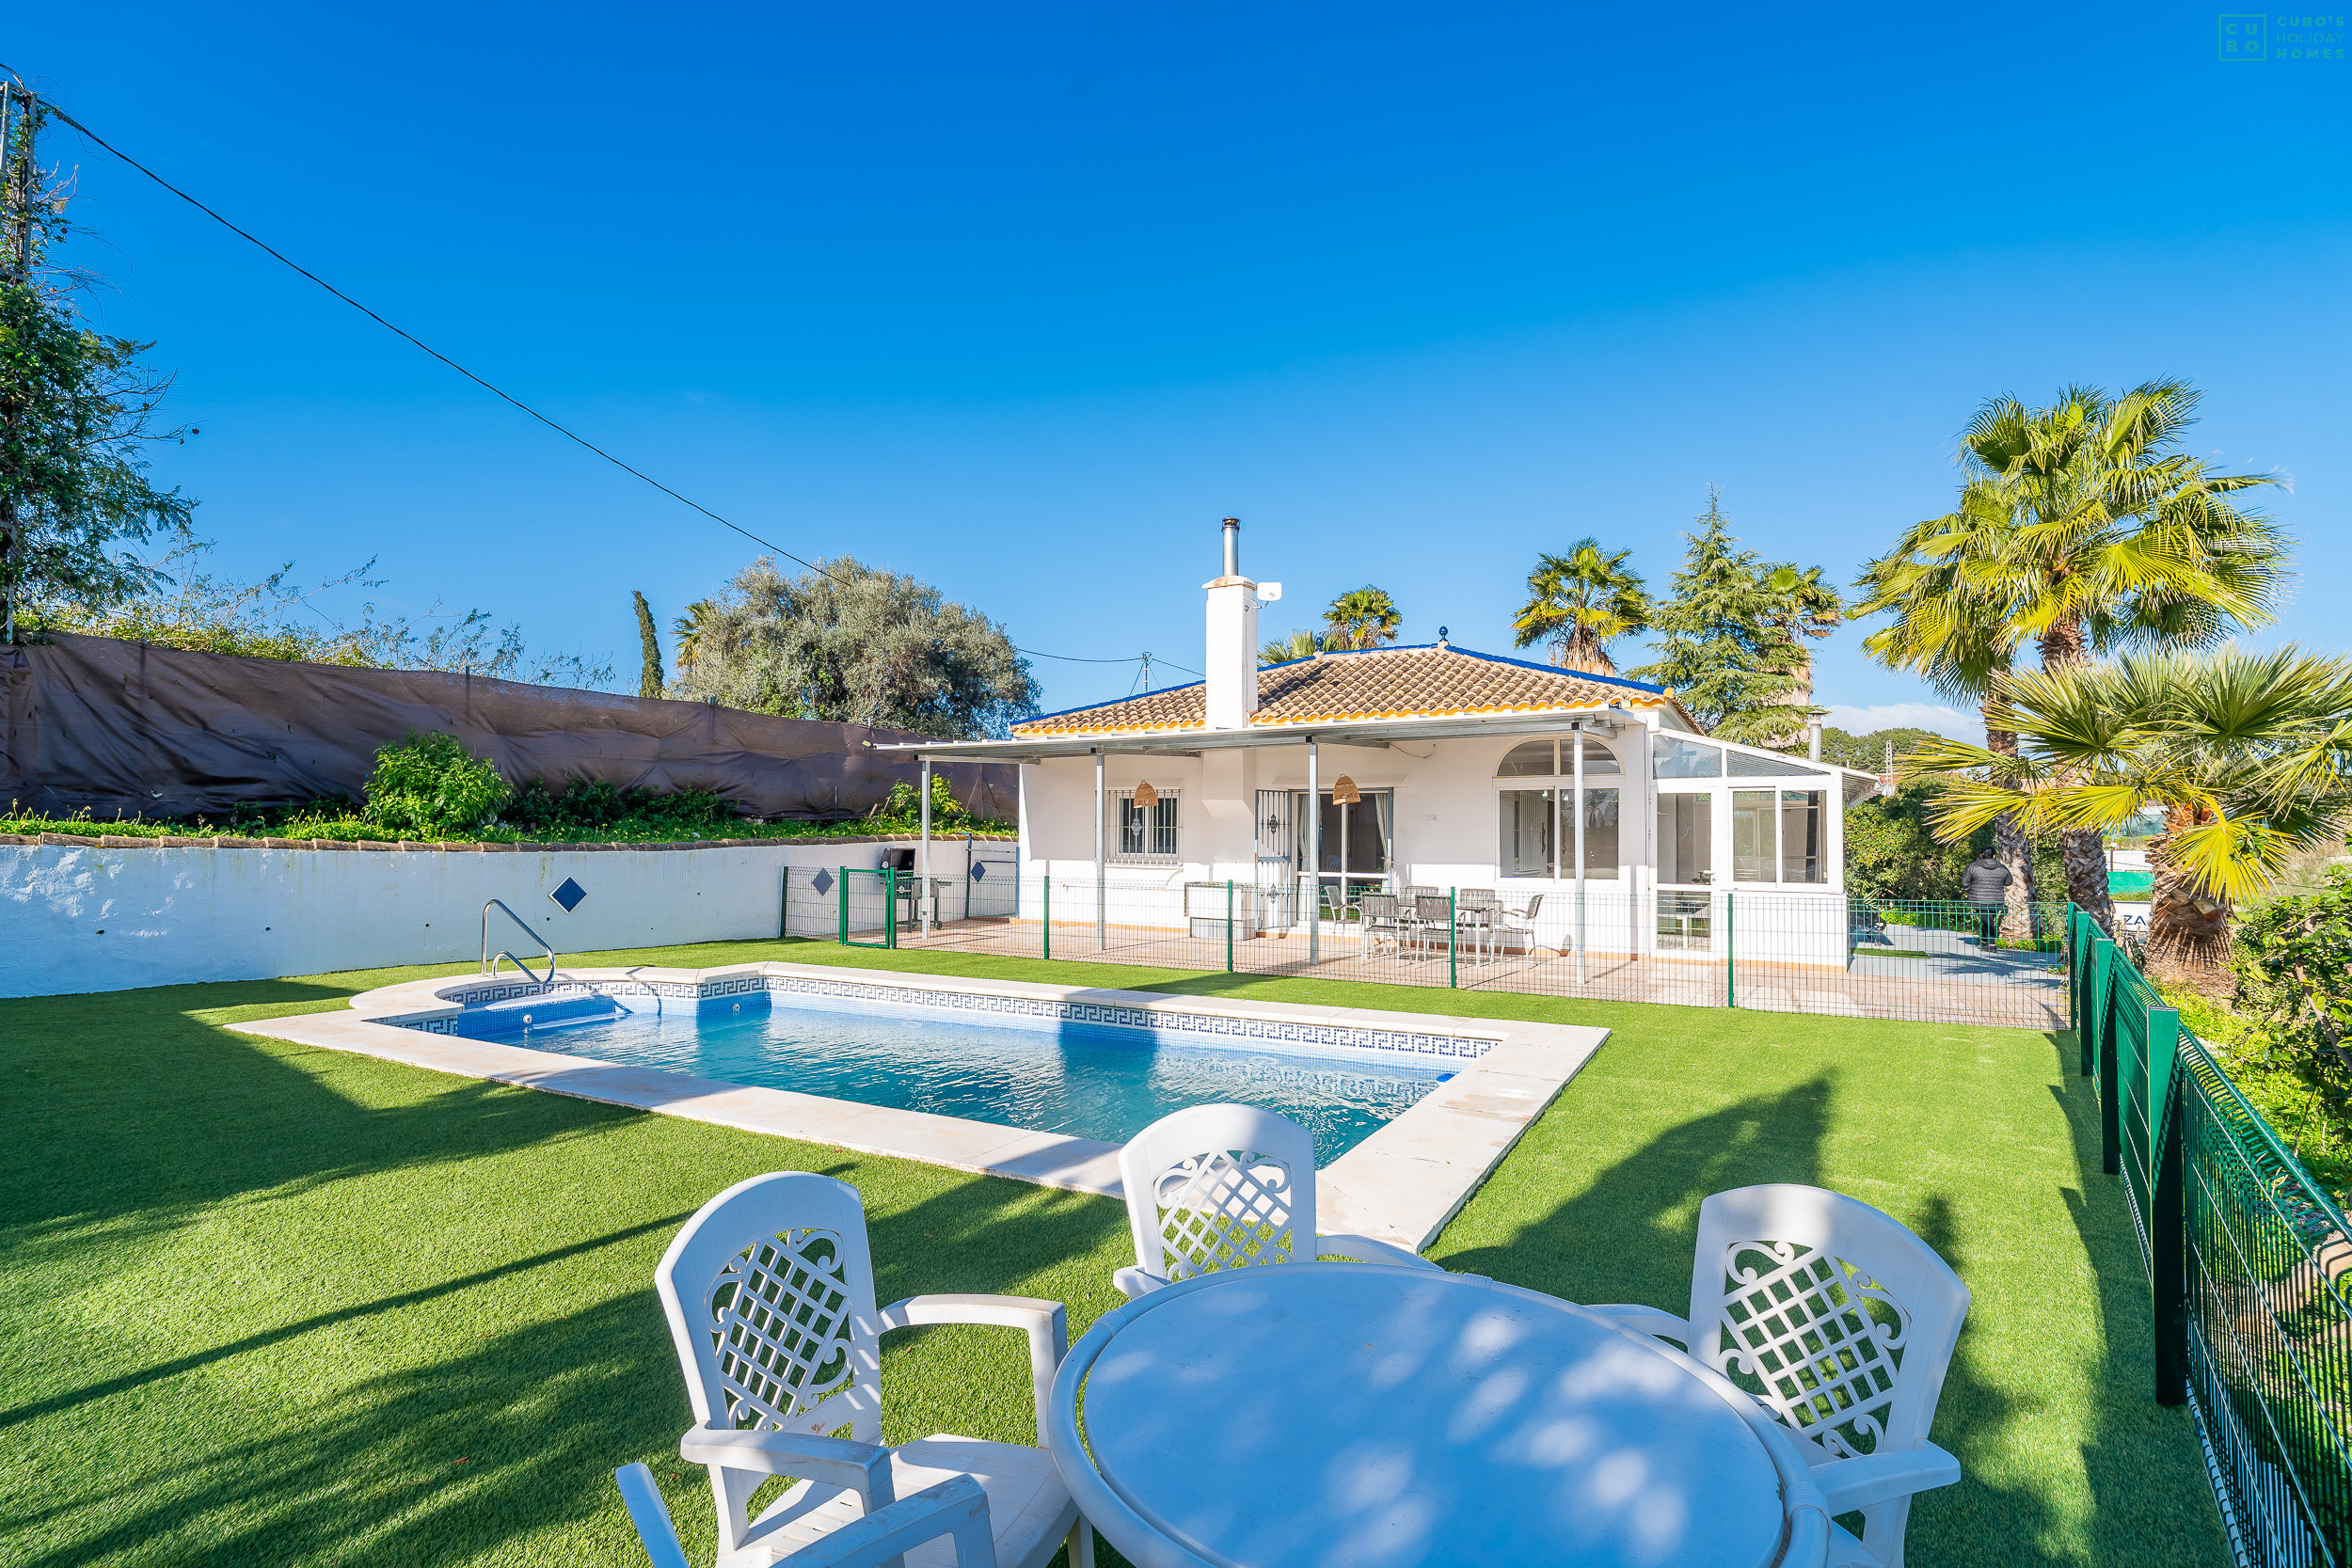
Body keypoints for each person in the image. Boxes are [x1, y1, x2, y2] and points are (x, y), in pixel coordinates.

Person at [1961, 851, 2013, 942]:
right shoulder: (2002, 868)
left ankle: (1991, 943)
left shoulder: (1973, 867)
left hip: (1978, 900)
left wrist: (1969, 891)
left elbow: (1965, 882)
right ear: (1994, 856)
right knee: (1988, 920)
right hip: (1996, 900)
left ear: (1981, 855)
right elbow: (2009, 882)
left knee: (1987, 921)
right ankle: (1985, 941)